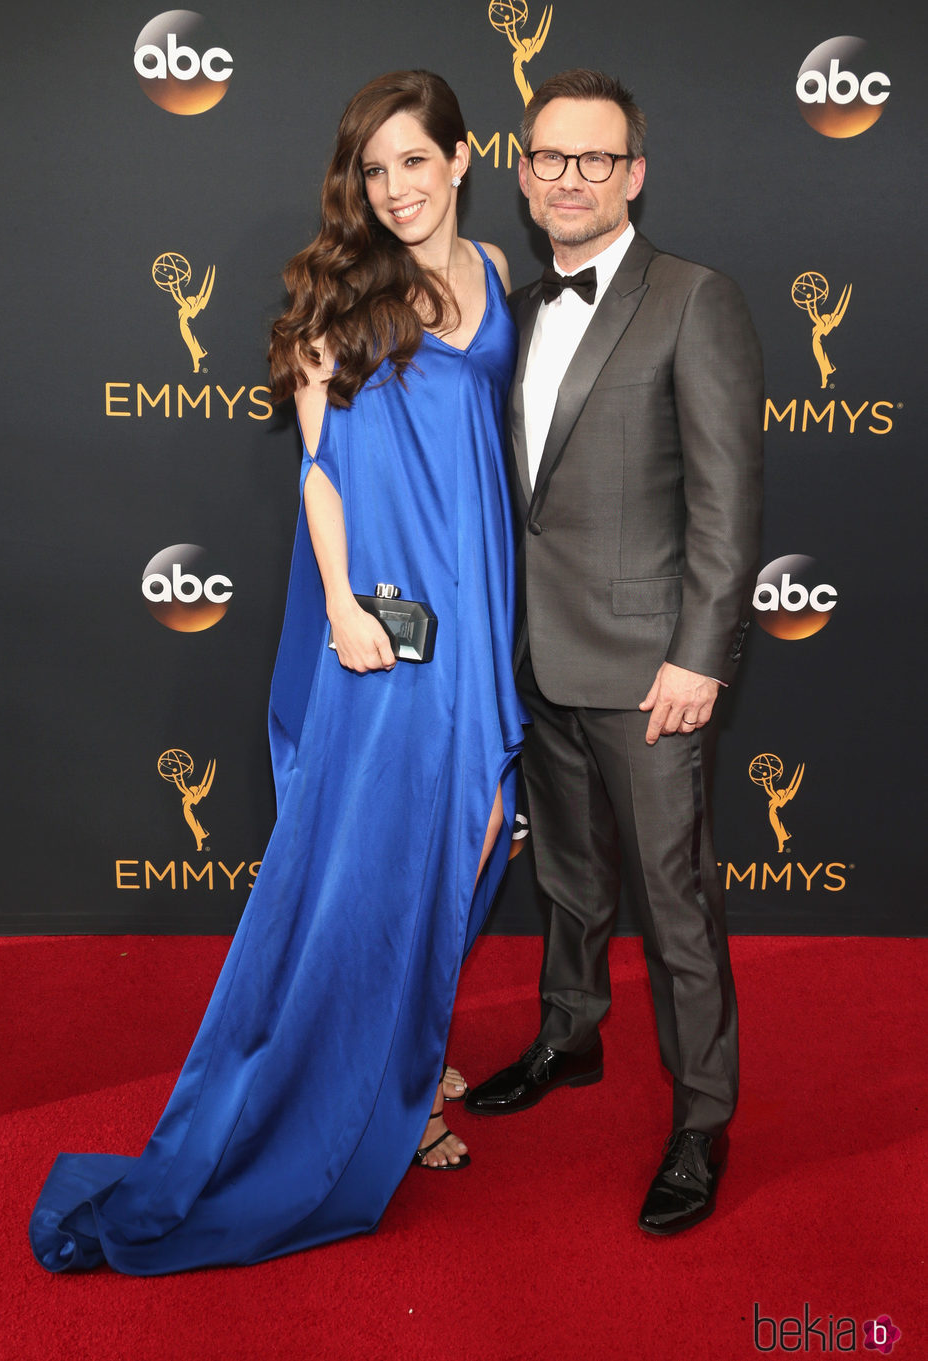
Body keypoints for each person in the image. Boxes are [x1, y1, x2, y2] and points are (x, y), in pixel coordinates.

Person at [28, 70, 524, 1274]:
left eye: (417, 160)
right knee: (381, 857)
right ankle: (394, 1094)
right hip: (386, 620)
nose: (397, 188)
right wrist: (347, 606)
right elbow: (320, 469)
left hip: (482, 595)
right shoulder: (336, 303)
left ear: (463, 159)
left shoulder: (499, 271)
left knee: (484, 828)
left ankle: (409, 1041)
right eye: (375, 169)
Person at [465, 69, 763, 1236]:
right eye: (549, 157)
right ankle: (568, 1036)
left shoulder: (695, 299)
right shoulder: (514, 310)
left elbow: (727, 505)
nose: (569, 178)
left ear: (633, 173)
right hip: (532, 657)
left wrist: (699, 655)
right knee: (569, 881)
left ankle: (700, 1116)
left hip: (650, 671)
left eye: (596, 158)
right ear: (524, 173)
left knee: (674, 903)